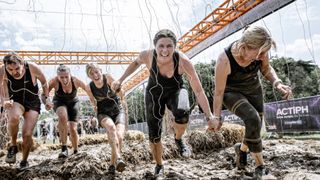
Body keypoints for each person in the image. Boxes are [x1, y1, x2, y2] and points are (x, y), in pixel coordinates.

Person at [112, 29, 220, 176]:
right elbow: (135, 63)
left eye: (169, 46)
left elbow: (199, 91)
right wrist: (121, 79)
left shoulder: (183, 62)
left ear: (175, 47)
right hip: (154, 94)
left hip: (175, 91)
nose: (165, 50)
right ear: (155, 47)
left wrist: (210, 116)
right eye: (161, 46)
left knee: (182, 112)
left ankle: (178, 138)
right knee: (154, 134)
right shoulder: (147, 56)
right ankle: (159, 164)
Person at [213, 26, 292, 179]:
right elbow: (218, 92)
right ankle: (260, 166)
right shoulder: (224, 59)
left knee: (254, 126)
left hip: (254, 89)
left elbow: (267, 69)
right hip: (231, 92)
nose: (263, 56)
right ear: (244, 48)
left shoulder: (260, 50)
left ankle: (241, 150)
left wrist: (277, 82)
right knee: (252, 118)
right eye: (260, 53)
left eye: (265, 53)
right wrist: (216, 117)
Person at [0, 52, 50, 170]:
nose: (14, 72)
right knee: (14, 117)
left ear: (22, 63)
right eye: (10, 69)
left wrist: (47, 98)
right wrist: (5, 100)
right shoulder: (2, 70)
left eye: (17, 68)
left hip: (32, 102)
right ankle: (13, 145)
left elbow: (44, 82)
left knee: (27, 134)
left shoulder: (32, 67)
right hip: (15, 100)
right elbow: (2, 86)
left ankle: (24, 161)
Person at [85, 63, 127, 174]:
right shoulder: (89, 87)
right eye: (91, 73)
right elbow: (92, 101)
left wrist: (119, 90)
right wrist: (95, 109)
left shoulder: (107, 78)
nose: (95, 74)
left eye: (96, 71)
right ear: (89, 76)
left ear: (100, 70)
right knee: (111, 128)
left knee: (119, 137)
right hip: (103, 112)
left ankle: (112, 165)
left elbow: (121, 93)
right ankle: (119, 157)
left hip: (118, 110)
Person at [46, 64, 88, 158]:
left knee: (73, 129)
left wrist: (95, 101)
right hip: (59, 101)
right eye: (61, 77)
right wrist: (46, 101)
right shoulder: (54, 81)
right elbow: (44, 94)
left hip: (73, 102)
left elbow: (88, 89)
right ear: (58, 76)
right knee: (62, 115)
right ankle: (64, 148)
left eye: (66, 77)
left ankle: (76, 150)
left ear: (70, 75)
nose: (64, 80)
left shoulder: (76, 81)